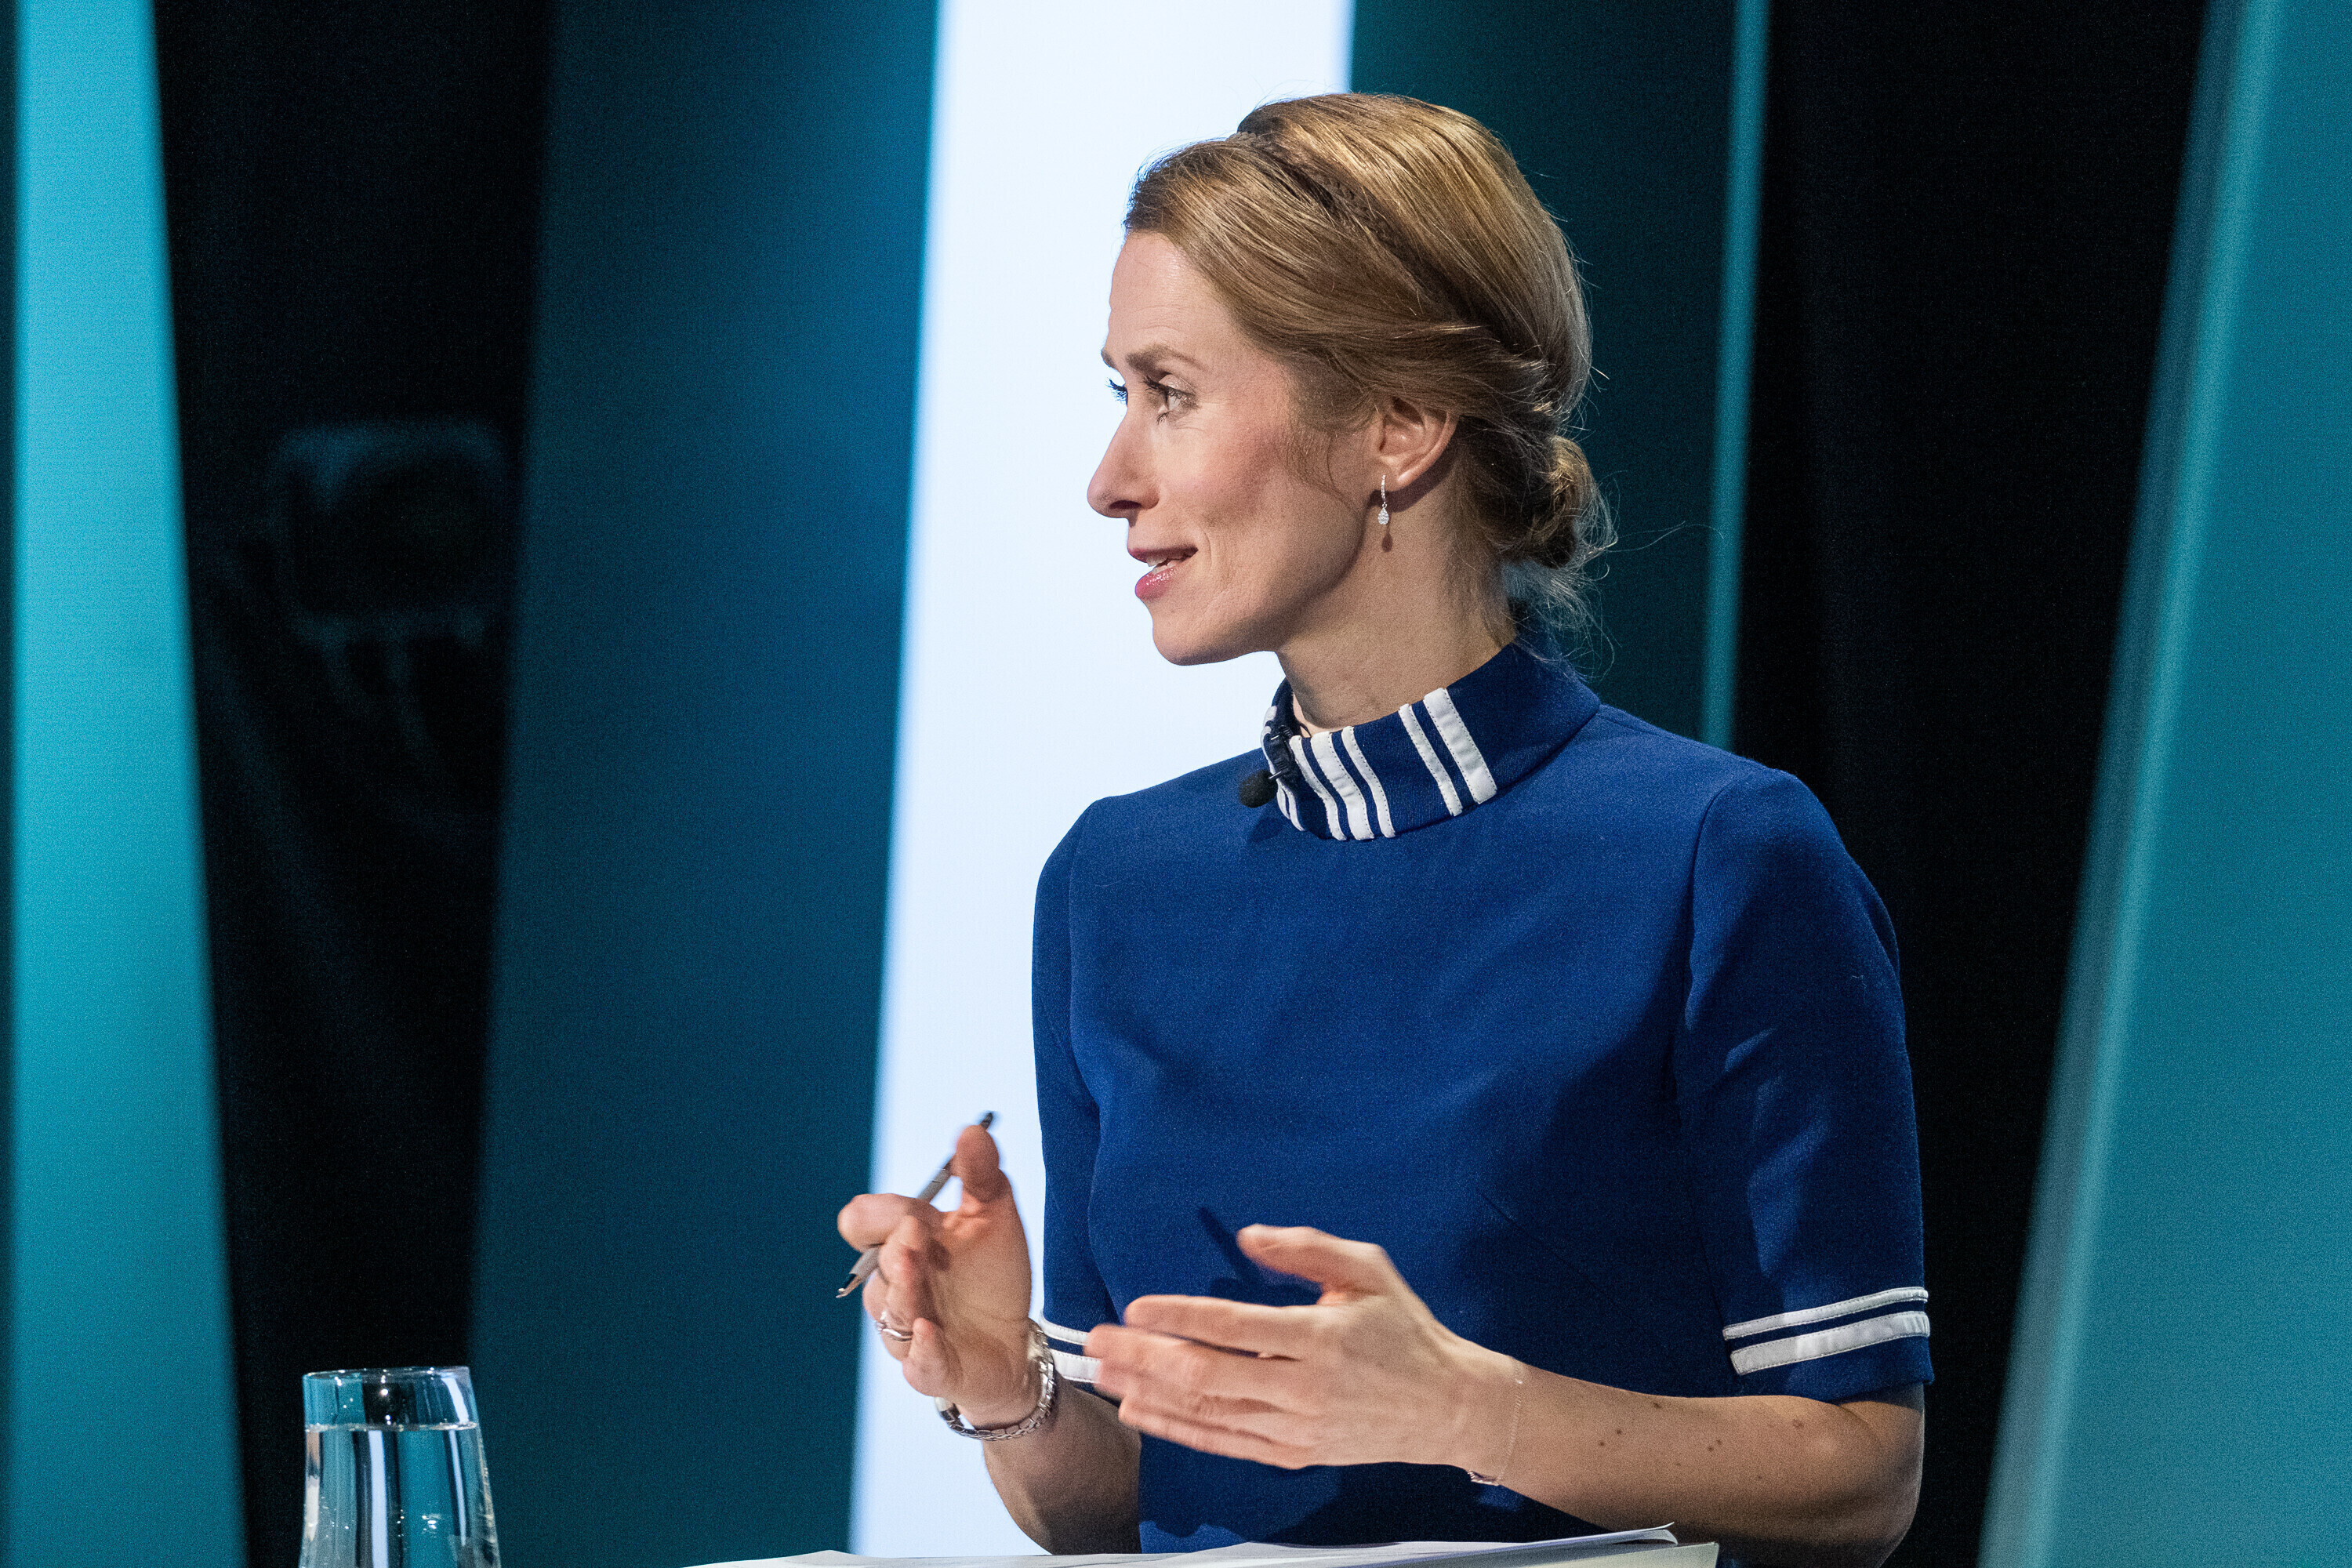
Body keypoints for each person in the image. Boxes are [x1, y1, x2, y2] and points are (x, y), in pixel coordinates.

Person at [838, 93, 1928, 1568]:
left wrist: (1473, 1411)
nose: (1109, 480)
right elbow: (1113, 1511)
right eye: (1119, 392)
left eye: (1171, 394)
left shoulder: (1716, 856)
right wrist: (1008, 1393)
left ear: (1398, 428)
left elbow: (1860, 1475)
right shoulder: (1116, 883)